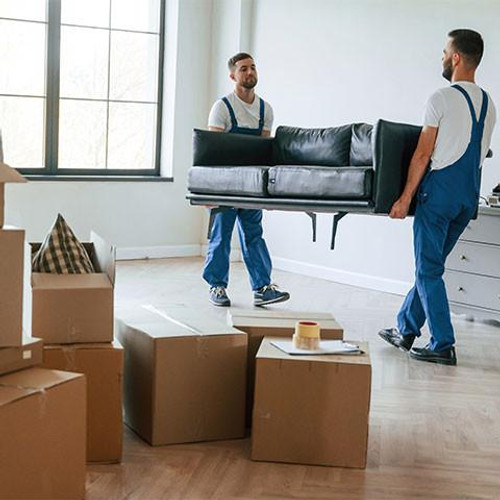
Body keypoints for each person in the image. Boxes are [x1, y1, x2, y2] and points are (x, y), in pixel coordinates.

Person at [379, 29, 496, 365]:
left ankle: (443, 343)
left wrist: (403, 199)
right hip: (466, 200)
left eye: (445, 51)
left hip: (439, 195)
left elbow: (422, 155)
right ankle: (405, 328)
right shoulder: (489, 105)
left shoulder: (441, 98)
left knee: (428, 270)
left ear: (457, 57)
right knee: (430, 267)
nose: (442, 57)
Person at [203, 52, 290, 308]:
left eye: (253, 68)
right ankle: (217, 286)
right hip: (227, 182)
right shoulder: (222, 107)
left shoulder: (266, 109)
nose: (250, 72)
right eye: (243, 69)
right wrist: (210, 191)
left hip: (251, 184)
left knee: (254, 234)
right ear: (233, 75)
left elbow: (264, 152)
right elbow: (213, 151)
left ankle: (263, 288)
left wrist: (267, 192)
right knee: (222, 233)